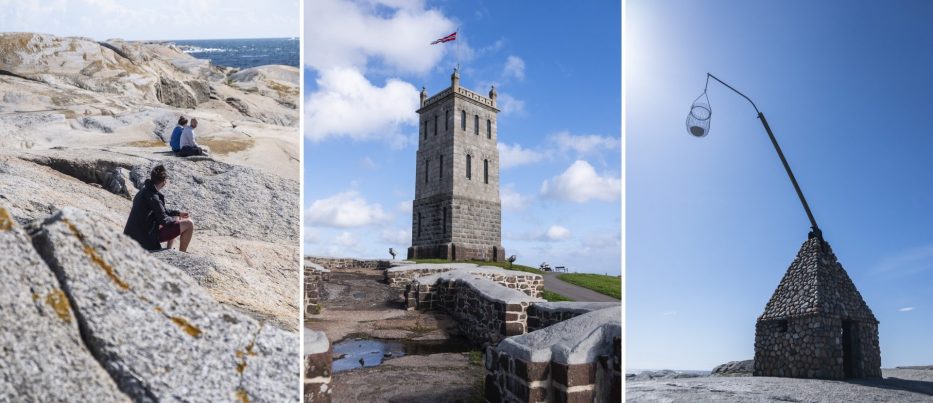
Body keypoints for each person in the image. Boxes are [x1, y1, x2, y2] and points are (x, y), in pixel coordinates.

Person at [123, 165, 195, 251]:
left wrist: (178, 213)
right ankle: (182, 254)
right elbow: (164, 220)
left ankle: (169, 249)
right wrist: (176, 220)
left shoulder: (143, 191)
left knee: (174, 217)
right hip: (144, 240)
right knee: (189, 224)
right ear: (164, 181)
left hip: (132, 235)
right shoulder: (154, 197)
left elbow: (161, 210)